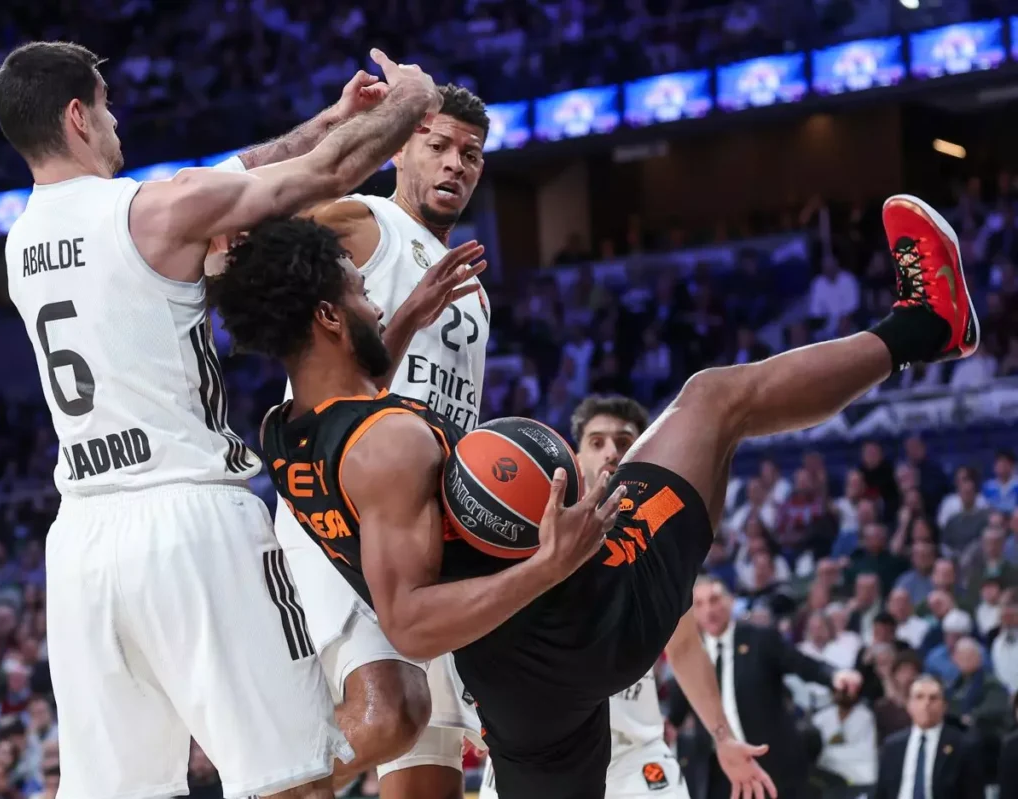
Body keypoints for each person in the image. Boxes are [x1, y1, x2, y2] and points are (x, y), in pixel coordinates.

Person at [210, 192, 978, 799]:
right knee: (715, 401)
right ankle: (927, 323)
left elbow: (359, 398)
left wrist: (407, 318)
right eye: (364, 295)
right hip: (577, 615)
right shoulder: (390, 445)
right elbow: (408, 623)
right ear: (330, 316)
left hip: (513, 691)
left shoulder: (285, 430)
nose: (378, 303)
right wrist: (550, 563)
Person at [0, 40, 444, 799]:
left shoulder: (21, 242)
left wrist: (329, 117)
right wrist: (411, 99)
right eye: (105, 106)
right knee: (292, 776)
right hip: (190, 517)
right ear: (77, 115)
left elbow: (233, 175)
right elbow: (324, 176)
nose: (115, 122)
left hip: (81, 544)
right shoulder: (150, 211)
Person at [270, 84, 493, 797]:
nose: (456, 164)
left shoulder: (475, 286)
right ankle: (258, 782)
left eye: (471, 154)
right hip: (346, 509)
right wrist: (344, 126)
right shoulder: (366, 223)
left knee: (427, 775)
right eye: (438, 145)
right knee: (388, 712)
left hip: (427, 530)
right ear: (400, 147)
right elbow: (264, 234)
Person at [479, 395, 690, 799]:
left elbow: (685, 645)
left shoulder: (655, 532)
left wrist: (723, 734)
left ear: (643, 451)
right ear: (574, 455)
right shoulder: (526, 526)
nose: (611, 452)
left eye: (625, 442)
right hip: (530, 752)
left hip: (632, 756)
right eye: (597, 442)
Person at [672, 577, 860, 799]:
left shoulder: (760, 639)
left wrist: (834, 675)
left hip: (772, 762)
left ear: (730, 601)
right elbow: (677, 711)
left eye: (714, 600)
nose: (709, 610)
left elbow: (800, 663)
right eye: (699, 604)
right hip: (720, 772)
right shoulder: (690, 657)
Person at [874, 675, 984, 799]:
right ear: (909, 705)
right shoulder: (892, 746)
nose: (926, 703)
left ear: (944, 706)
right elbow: (881, 793)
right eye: (919, 697)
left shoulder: (963, 746)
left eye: (933, 698)